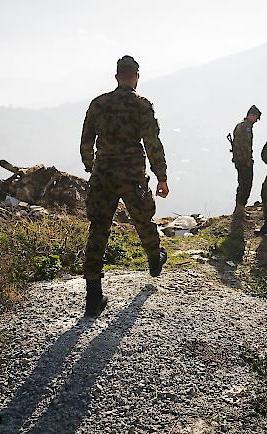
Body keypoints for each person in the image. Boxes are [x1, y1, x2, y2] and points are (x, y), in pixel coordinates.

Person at [79, 55, 169, 317]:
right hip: (132, 174)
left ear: (117, 76)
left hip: (103, 174)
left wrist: (90, 164)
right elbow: (152, 143)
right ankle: (154, 258)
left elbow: (86, 139)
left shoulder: (99, 104)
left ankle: (93, 295)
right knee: (143, 219)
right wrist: (161, 176)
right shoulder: (142, 106)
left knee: (99, 229)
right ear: (136, 77)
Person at [231, 105, 261, 214]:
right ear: (251, 115)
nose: (256, 121)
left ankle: (239, 208)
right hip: (243, 160)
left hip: (241, 160)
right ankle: (240, 208)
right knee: (245, 184)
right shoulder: (245, 127)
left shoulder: (242, 126)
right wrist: (248, 160)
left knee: (243, 184)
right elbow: (244, 147)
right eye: (256, 117)